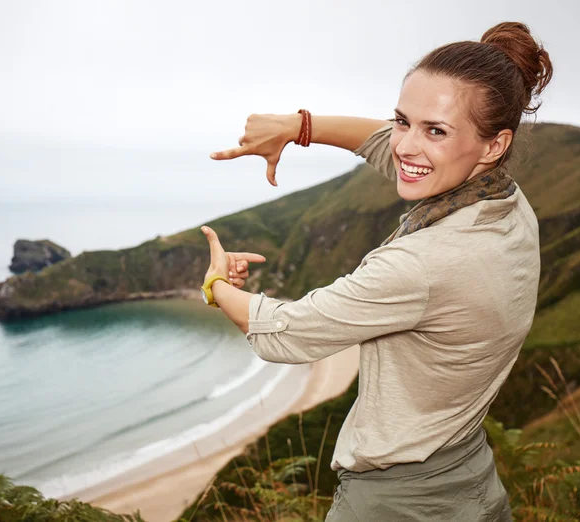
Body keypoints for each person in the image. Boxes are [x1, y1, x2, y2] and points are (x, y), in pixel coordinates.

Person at [199, 21, 553, 522]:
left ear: (494, 145)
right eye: (403, 120)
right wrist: (300, 126)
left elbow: (286, 334)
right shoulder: (508, 204)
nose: (406, 145)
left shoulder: (422, 263)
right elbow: (382, 142)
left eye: (435, 130)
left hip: (396, 502)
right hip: (470, 478)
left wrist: (217, 286)